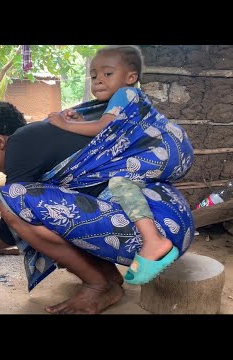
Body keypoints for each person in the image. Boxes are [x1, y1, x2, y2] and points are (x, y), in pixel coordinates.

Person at [0, 101, 194, 314]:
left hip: (155, 236)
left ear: (0, 141)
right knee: (46, 211)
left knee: (13, 201)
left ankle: (98, 285)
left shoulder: (20, 143)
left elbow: (9, 227)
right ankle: (106, 278)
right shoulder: (46, 139)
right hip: (174, 223)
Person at [48, 45, 194, 285]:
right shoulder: (126, 100)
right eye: (94, 75)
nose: (98, 81)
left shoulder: (125, 94)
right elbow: (113, 129)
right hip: (171, 150)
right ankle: (150, 235)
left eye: (107, 74)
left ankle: (153, 240)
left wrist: (65, 124)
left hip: (166, 150)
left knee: (117, 181)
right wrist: (83, 120)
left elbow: (104, 129)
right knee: (121, 185)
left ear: (130, 77)